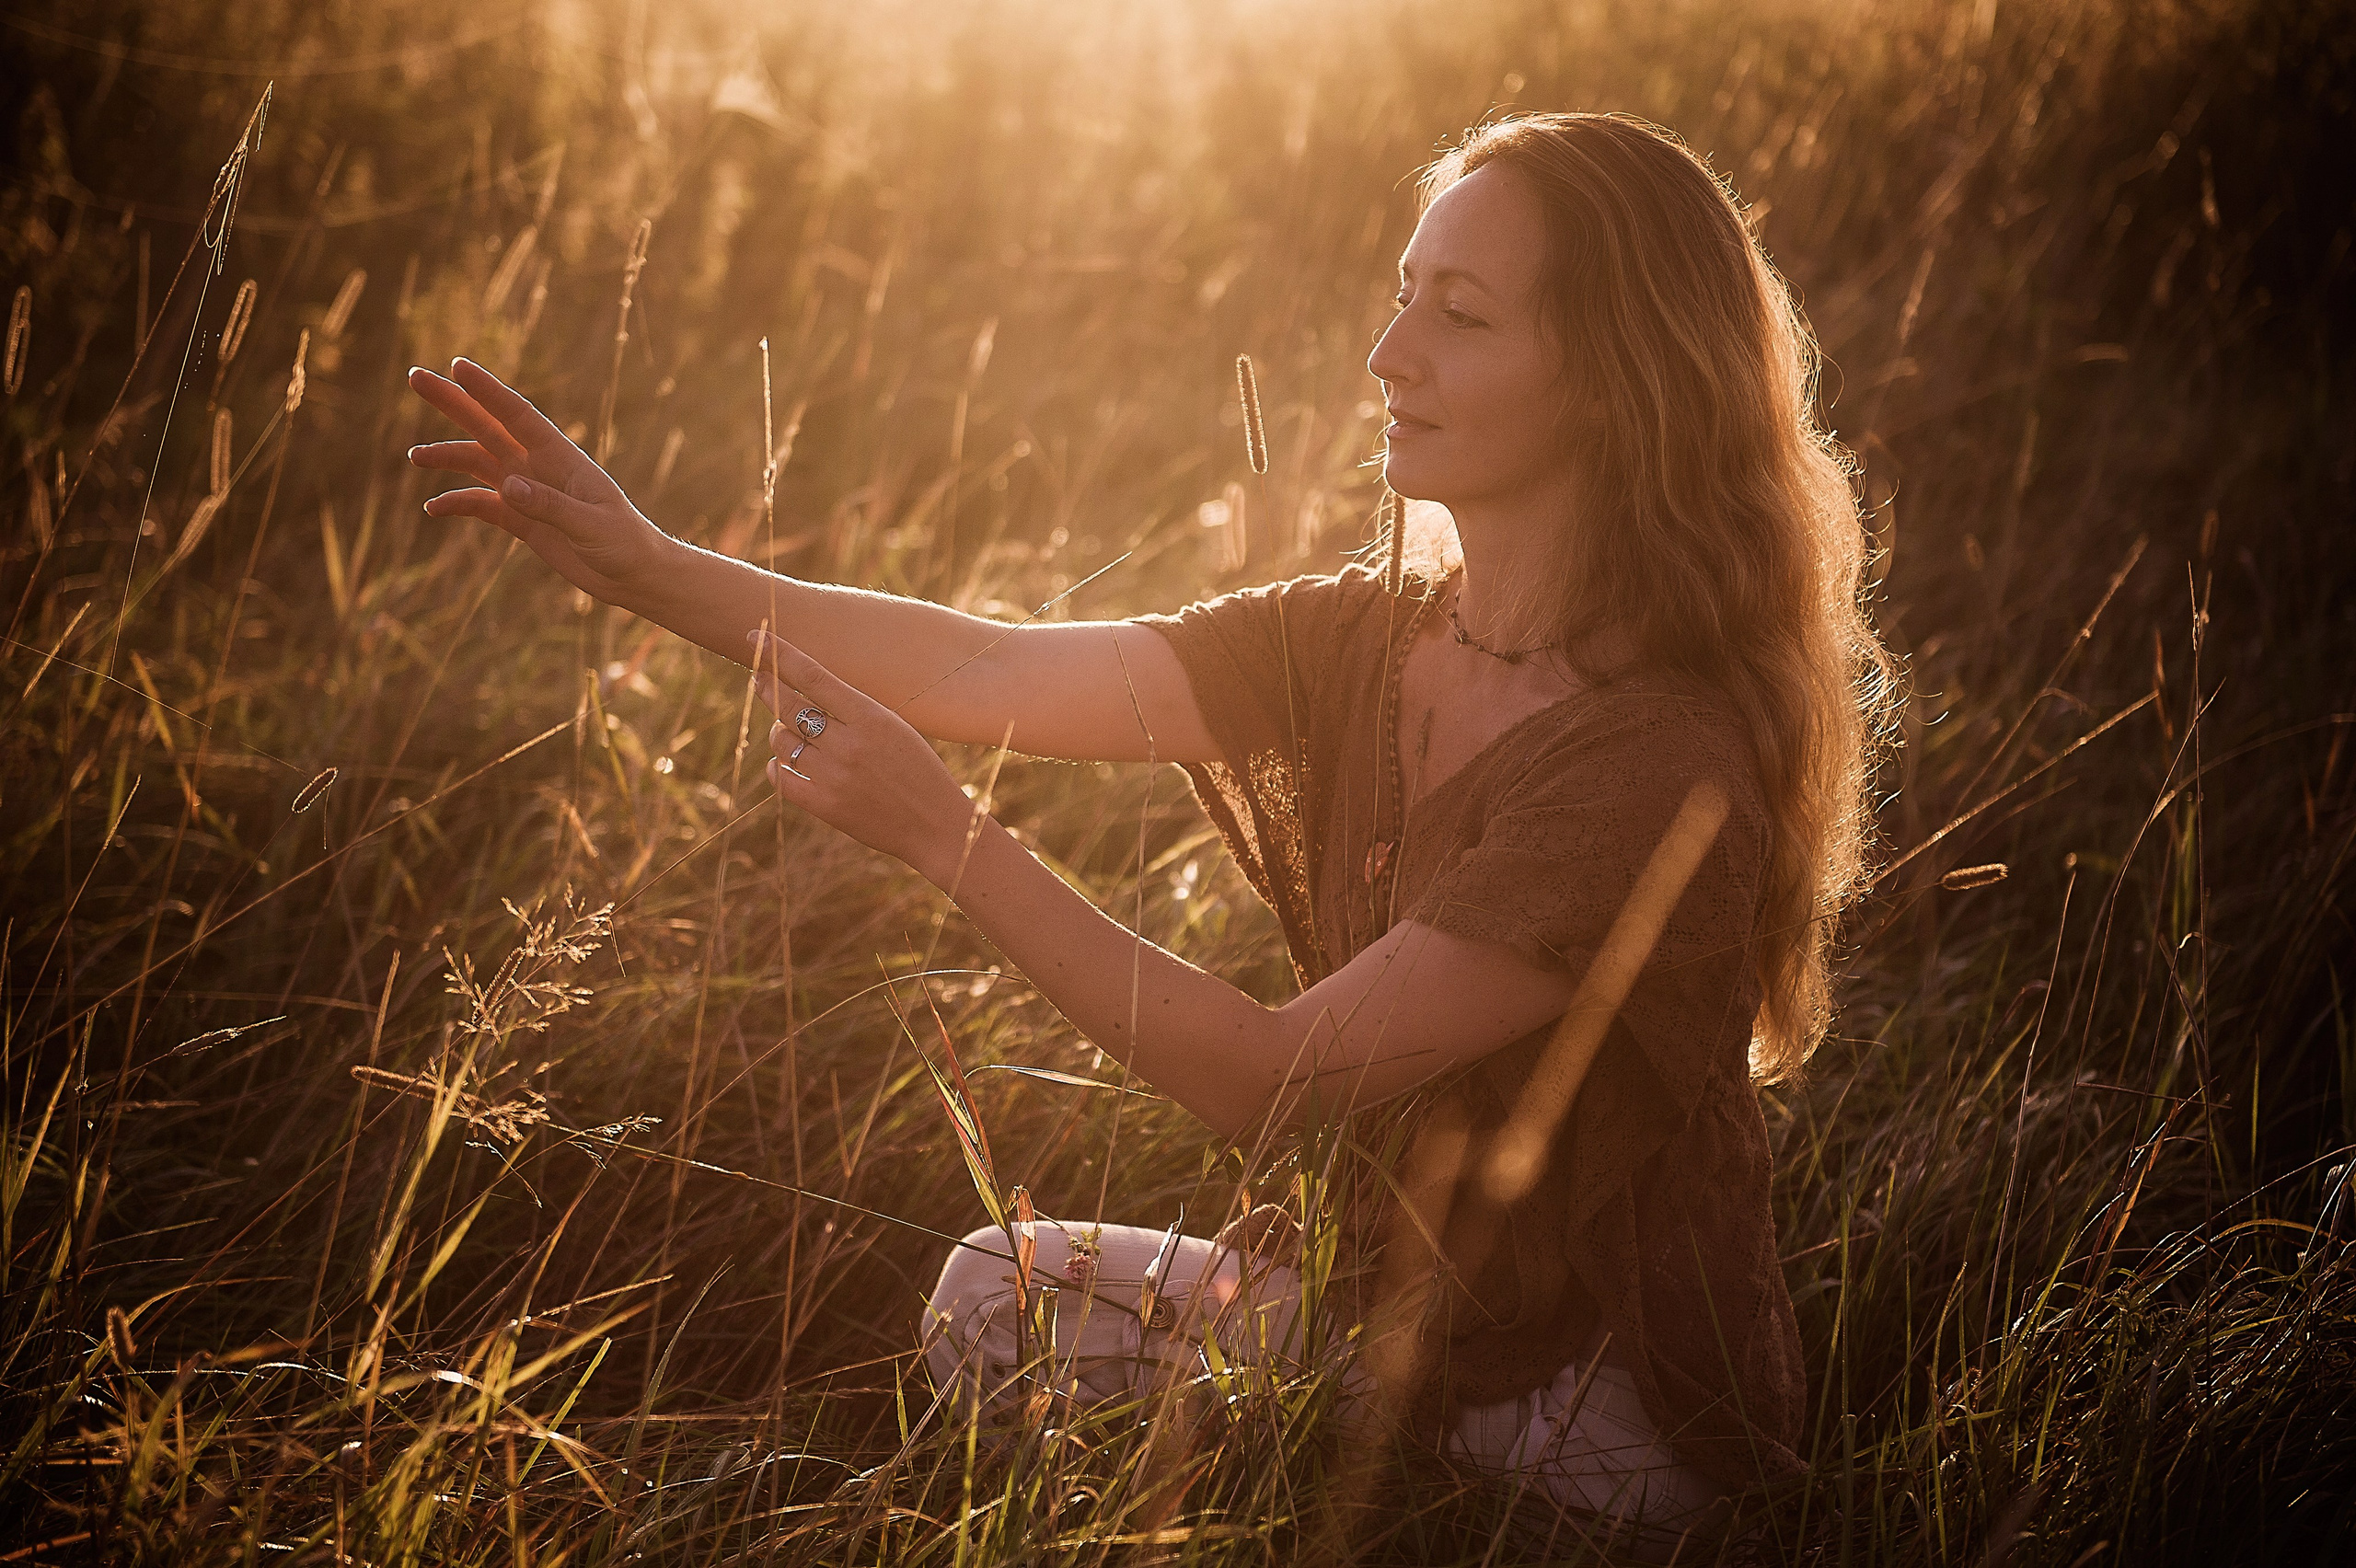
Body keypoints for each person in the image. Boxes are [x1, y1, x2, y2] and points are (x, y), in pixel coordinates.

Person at [407, 110, 1898, 1550]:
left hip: (1597, 1418)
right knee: (994, 1296)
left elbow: (1271, 1080)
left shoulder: (1651, 759)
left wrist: (947, 838)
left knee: (1072, 1349)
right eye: (1401, 296)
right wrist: (650, 567)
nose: (1389, 355)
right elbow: (981, 670)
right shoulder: (1367, 638)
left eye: (1460, 316)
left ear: (1615, 381)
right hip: (1392, 1324)